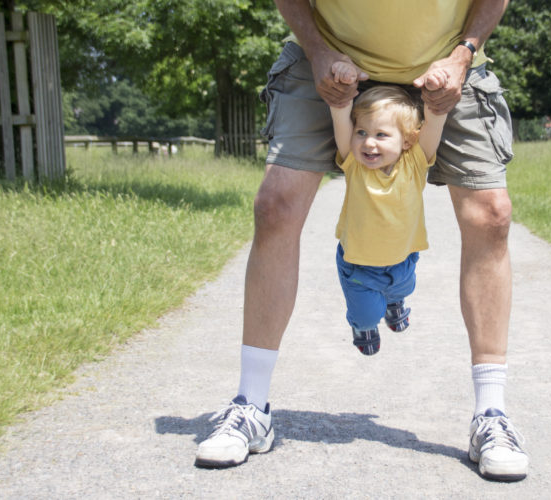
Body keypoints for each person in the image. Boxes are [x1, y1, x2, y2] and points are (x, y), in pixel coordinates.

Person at [194, 0, 529, 482]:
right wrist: (316, 50)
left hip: (444, 67)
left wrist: (463, 55)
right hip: (332, 63)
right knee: (276, 205)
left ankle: (491, 416)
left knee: (491, 215)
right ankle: (251, 406)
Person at [328, 63, 448, 356]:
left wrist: (436, 91)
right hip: (359, 264)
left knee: (403, 290)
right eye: (361, 132)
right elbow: (340, 116)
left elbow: (434, 122)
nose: (368, 142)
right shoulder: (354, 164)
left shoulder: (416, 161)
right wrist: (342, 86)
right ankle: (362, 325)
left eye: (381, 135)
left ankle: (396, 303)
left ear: (407, 140)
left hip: (402, 259)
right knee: (368, 313)